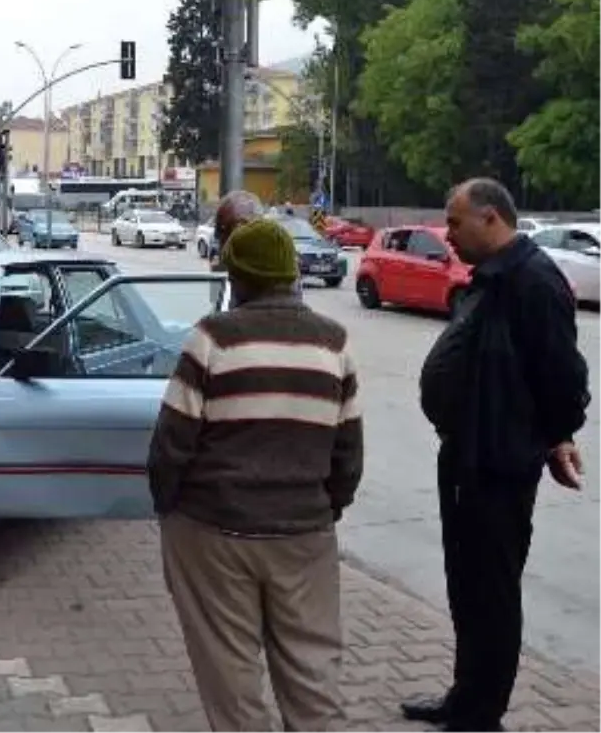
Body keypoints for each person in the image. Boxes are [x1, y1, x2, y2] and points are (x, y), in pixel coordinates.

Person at [148, 218, 363, 733]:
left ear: (238, 279)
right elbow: (348, 453)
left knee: (230, 673)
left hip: (212, 531)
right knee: (313, 671)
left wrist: (170, 509)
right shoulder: (333, 343)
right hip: (304, 535)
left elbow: (171, 445)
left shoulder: (212, 337)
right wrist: (321, 509)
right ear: (291, 277)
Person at [404, 178, 589, 733]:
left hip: (499, 464)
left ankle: (482, 716)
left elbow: (563, 377)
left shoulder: (534, 282)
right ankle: (464, 698)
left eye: (455, 222)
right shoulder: (493, 278)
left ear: (491, 219)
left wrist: (555, 435)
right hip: (465, 455)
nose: (448, 233)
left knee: (492, 592)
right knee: (466, 584)